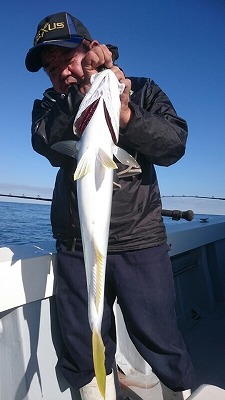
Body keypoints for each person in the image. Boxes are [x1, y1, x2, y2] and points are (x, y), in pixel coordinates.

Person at [25, 12, 194, 400]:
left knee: (161, 340)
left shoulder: (142, 90)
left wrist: (125, 113)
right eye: (50, 68)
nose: (60, 73)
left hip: (141, 242)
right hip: (75, 246)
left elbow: (174, 144)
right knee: (83, 345)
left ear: (89, 47)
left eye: (65, 59)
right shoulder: (50, 106)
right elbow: (44, 141)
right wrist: (85, 91)